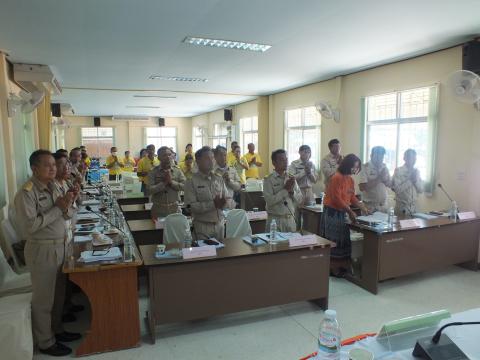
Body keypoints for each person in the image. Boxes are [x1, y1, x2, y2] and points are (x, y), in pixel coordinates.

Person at [14, 150, 81, 356]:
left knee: (58, 294)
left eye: (54, 164)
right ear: (34, 168)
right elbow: (29, 227)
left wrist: (70, 200)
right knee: (44, 300)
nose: (53, 168)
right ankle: (45, 342)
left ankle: (57, 329)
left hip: (60, 245)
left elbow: (66, 214)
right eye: (47, 165)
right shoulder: (27, 192)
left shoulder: (54, 186)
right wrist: (58, 208)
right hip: (42, 249)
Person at [320, 154, 369, 277]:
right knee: (335, 240)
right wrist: (350, 211)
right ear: (348, 165)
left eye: (357, 168)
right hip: (333, 213)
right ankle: (333, 268)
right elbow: (336, 198)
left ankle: (344, 266)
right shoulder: (337, 177)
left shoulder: (350, 180)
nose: (355, 170)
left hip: (343, 211)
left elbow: (352, 197)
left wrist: (362, 206)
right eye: (354, 167)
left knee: (344, 240)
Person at [184, 146, 234, 240]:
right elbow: (190, 207)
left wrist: (226, 203)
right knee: (205, 254)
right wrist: (213, 204)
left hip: (220, 224)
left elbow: (227, 198)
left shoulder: (218, 178)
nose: (211, 161)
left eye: (212, 158)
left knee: (222, 254)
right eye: (207, 158)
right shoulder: (191, 181)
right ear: (198, 161)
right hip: (202, 226)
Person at [263, 149, 303, 232]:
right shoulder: (269, 179)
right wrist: (285, 190)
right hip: (275, 220)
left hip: (290, 220)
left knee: (291, 244)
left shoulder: (291, 178)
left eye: (286, 159)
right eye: (281, 160)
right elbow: (269, 200)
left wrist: (292, 192)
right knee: (274, 245)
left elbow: (300, 199)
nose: (285, 162)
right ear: (274, 163)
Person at [148, 147, 186, 219]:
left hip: (174, 209)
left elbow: (185, 187)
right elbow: (149, 190)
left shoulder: (177, 170)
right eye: (164, 155)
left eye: (169, 154)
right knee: (158, 230)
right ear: (159, 157)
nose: (168, 157)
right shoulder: (153, 171)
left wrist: (171, 182)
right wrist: (164, 183)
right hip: (158, 209)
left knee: (175, 229)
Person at [391, 149, 423, 216]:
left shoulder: (416, 171)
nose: (414, 160)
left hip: (414, 208)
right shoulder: (398, 171)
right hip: (402, 208)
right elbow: (397, 190)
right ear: (405, 158)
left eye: (415, 158)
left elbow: (421, 190)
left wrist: (415, 181)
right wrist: (410, 180)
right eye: (411, 157)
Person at [358, 146, 391, 212]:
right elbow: (362, 187)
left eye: (382, 157)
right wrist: (379, 178)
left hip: (383, 206)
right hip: (370, 207)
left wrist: (385, 180)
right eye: (377, 156)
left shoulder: (384, 167)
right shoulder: (365, 167)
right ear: (371, 156)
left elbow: (389, 184)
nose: (380, 159)